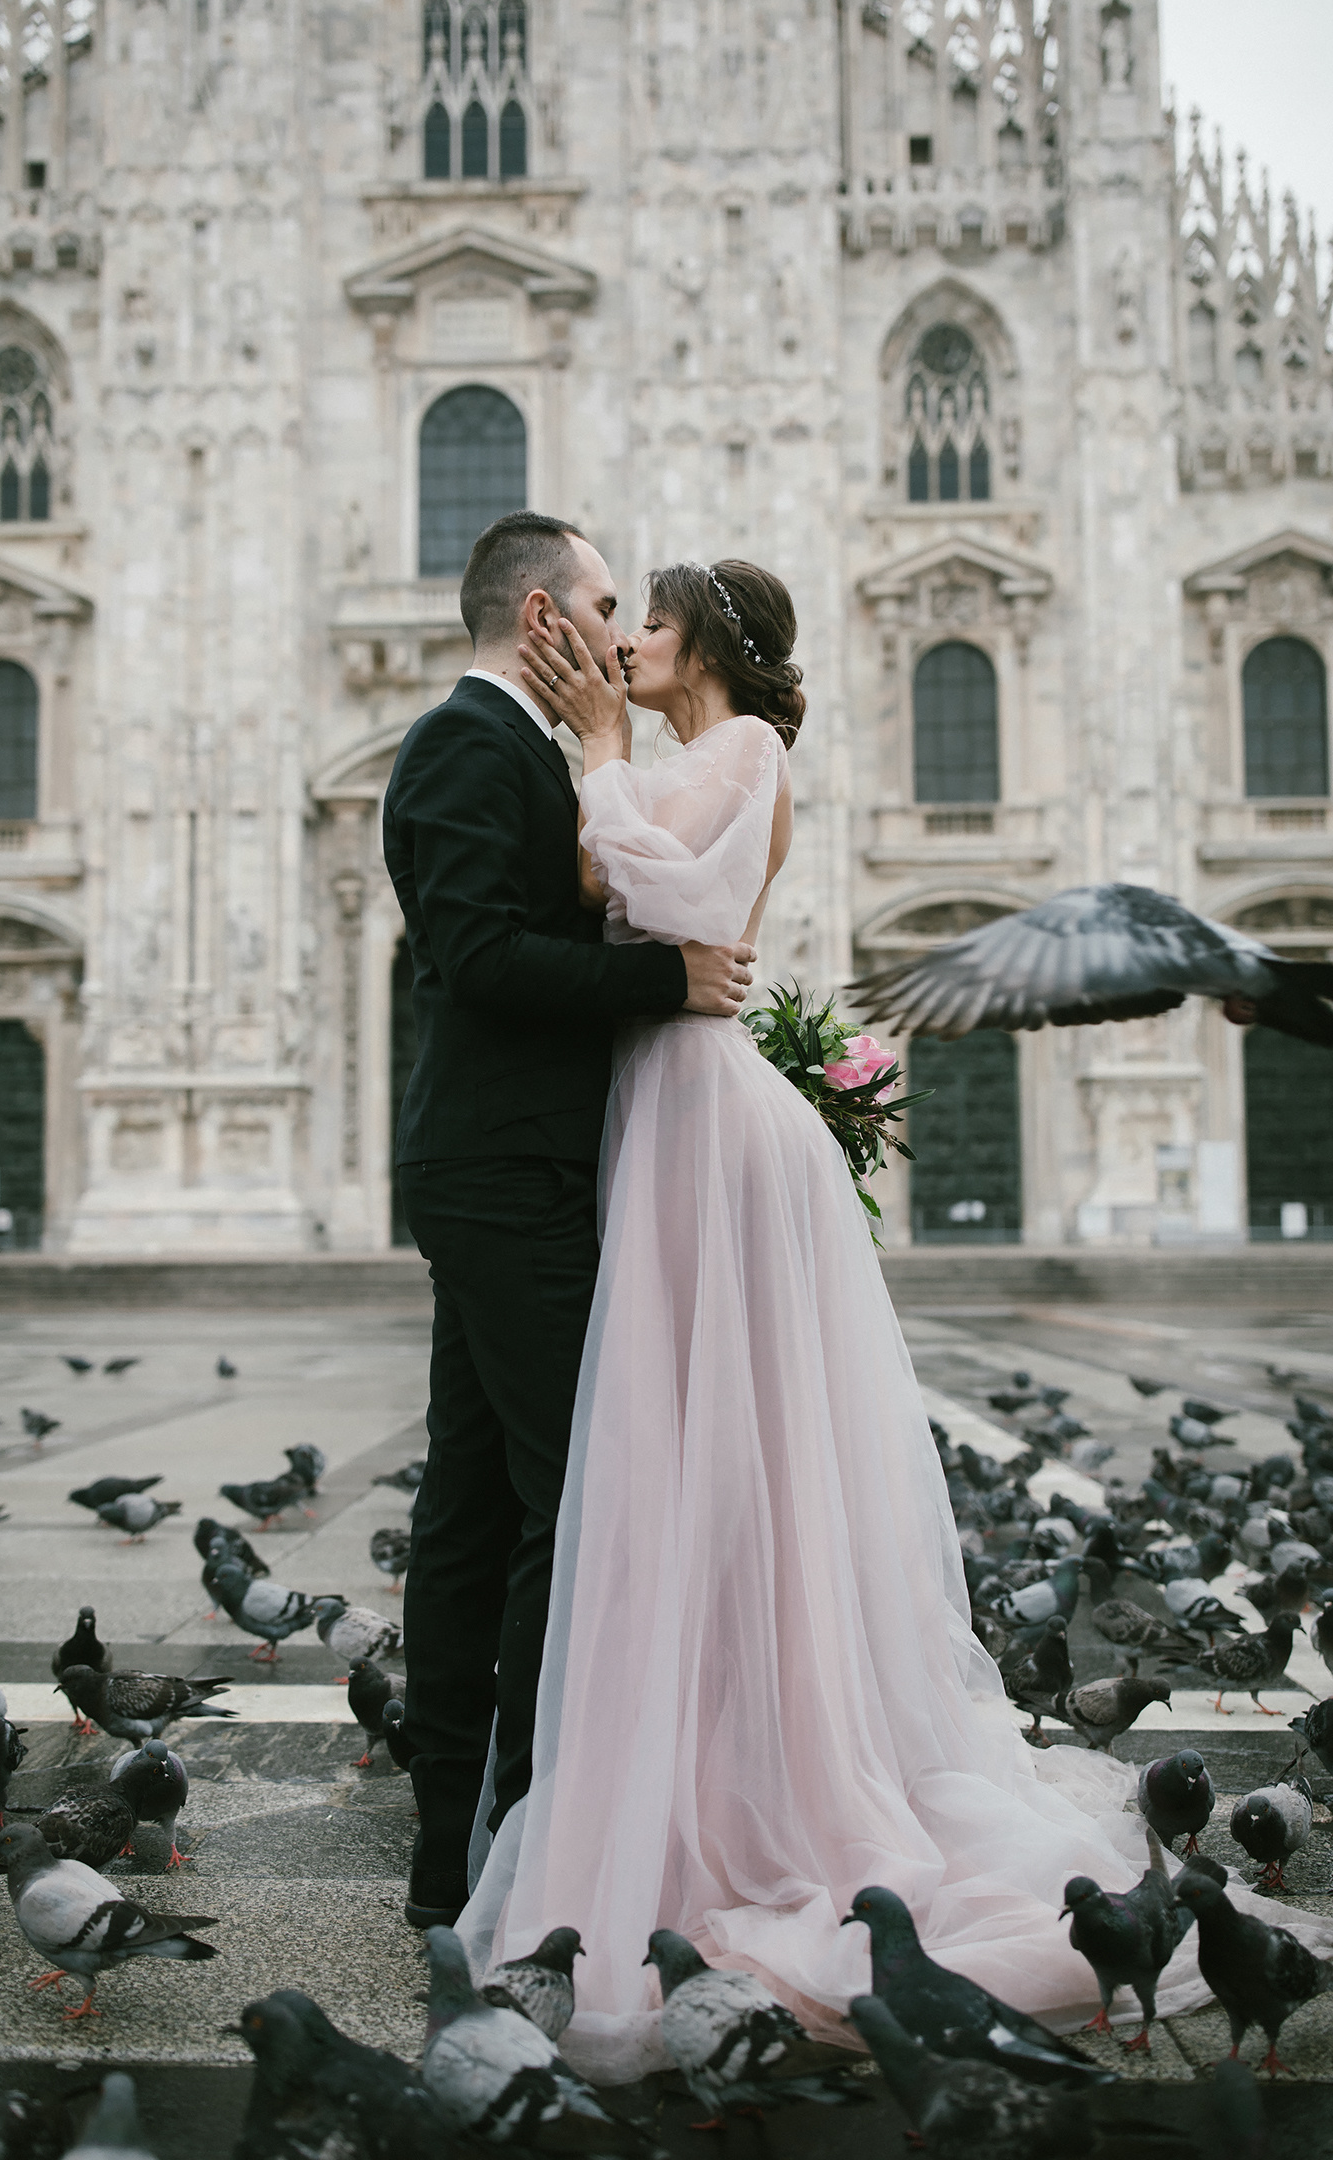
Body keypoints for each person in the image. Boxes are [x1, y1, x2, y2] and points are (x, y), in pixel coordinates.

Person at [454, 557, 1186, 2080]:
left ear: (705, 644)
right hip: (671, 1111)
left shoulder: (744, 747)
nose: (621, 642)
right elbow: (618, 890)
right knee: (700, 1462)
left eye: (642, 623)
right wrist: (609, 769)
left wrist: (596, 753)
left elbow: (660, 895)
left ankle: (782, 1790)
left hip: (713, 1130)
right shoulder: (683, 757)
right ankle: (724, 1759)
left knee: (728, 1454)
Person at [381, 513, 757, 1930]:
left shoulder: (515, 748)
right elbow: (477, 958)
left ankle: (457, 1840)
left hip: (516, 1164)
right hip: (503, 1173)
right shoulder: (462, 746)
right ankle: (530, 1815)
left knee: (476, 1507)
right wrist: (670, 988)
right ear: (540, 614)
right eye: (604, 602)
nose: (618, 628)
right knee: (576, 1492)